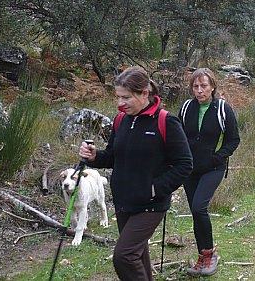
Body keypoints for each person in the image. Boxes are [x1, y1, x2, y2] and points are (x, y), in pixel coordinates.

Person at [79, 66, 193, 281]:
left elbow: (185, 164)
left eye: (126, 98)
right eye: (118, 97)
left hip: (150, 204)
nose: (120, 103)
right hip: (124, 202)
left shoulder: (166, 121)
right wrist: (95, 156)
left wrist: (154, 189)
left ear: (144, 94)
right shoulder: (122, 120)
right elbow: (113, 156)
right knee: (137, 256)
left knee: (124, 256)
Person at [179, 68, 241, 277]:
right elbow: (178, 135)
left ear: (212, 86)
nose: (199, 91)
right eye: (195, 87)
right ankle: (202, 257)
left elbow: (234, 139)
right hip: (189, 169)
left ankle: (210, 255)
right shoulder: (187, 108)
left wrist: (217, 157)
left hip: (214, 168)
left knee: (199, 207)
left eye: (203, 86)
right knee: (197, 213)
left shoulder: (223, 109)